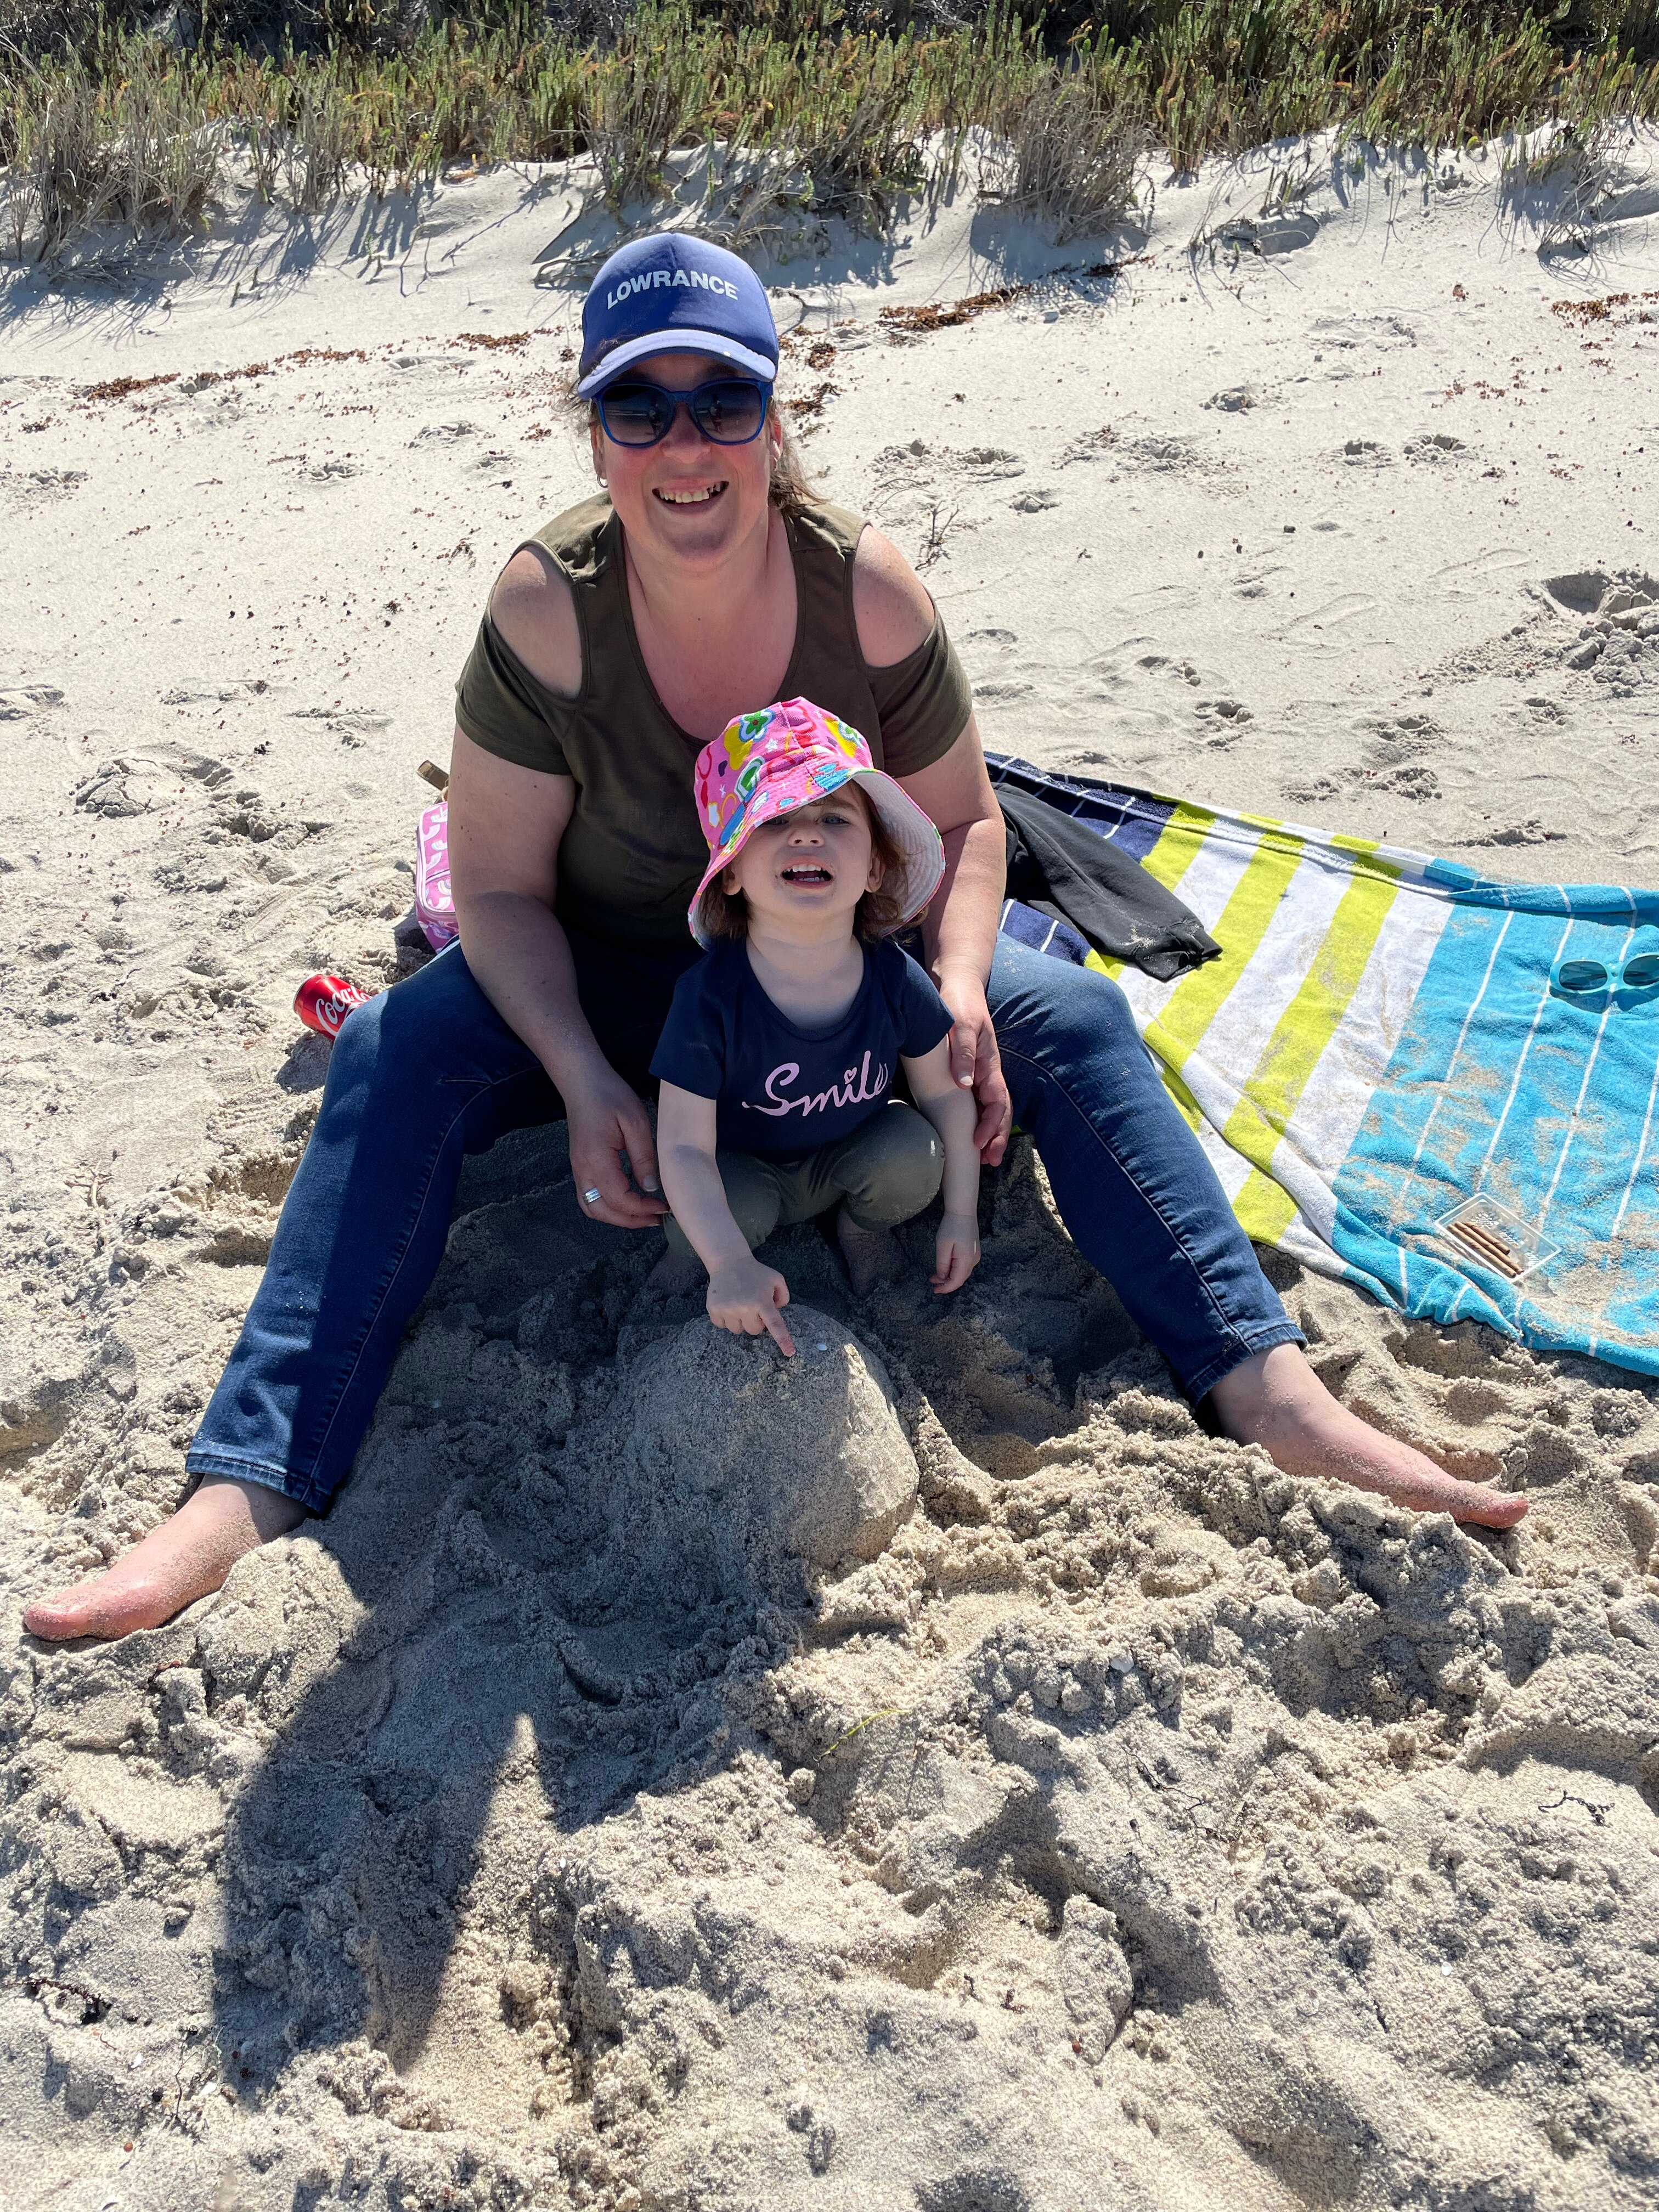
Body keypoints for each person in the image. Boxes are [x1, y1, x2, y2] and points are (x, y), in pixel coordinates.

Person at [24, 230, 1524, 1644]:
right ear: (596, 432)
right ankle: (256, 1477)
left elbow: (972, 825)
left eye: (722, 402)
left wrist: (956, 987)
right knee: (394, 1045)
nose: (684, 444)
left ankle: (1266, 1390)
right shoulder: (547, 609)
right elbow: (497, 894)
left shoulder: (862, 592)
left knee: (1066, 1020)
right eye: (641, 406)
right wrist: (586, 1078)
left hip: (840, 978)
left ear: (772, 416)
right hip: (622, 984)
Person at [651, 696, 982, 1346]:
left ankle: (862, 1228)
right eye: (774, 820)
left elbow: (944, 1093)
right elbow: (684, 1147)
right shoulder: (709, 997)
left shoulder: (891, 976)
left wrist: (962, 1215)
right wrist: (728, 1261)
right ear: (731, 874)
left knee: (913, 1154)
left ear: (875, 868)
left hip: (849, 1156)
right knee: (715, 1216)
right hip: (746, 1169)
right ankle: (704, 1263)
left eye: (835, 817)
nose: (806, 835)